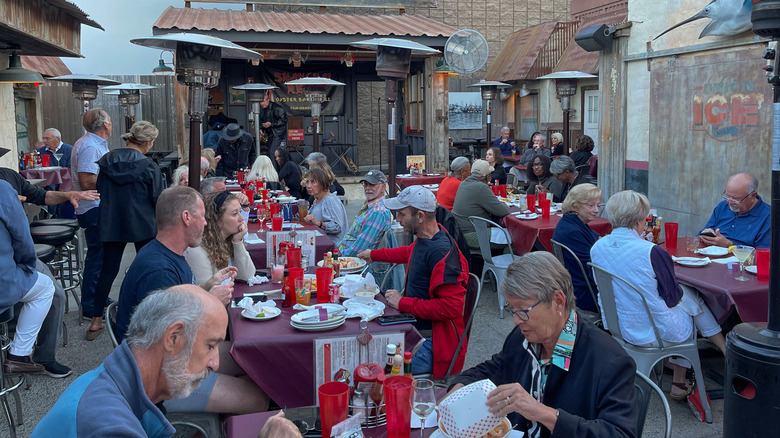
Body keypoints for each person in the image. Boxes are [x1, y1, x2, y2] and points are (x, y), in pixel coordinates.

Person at [33, 285, 295, 437]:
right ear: (173, 338)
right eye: (210, 345)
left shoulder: (116, 382)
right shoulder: (108, 425)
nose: (215, 362)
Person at [115, 186, 269, 415]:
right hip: (162, 379)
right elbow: (170, 340)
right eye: (203, 217)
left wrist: (206, 286)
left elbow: (176, 303)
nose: (207, 223)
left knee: (255, 361)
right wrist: (209, 299)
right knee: (259, 398)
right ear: (186, 218)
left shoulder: (169, 254)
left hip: (180, 360)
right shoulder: (158, 270)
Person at [448, 252, 638, 438]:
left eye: (522, 310)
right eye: (512, 309)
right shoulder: (525, 335)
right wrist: (461, 385)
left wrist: (544, 413)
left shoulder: (610, 361)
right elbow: (497, 367)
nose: (515, 320)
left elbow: (620, 432)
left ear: (558, 301)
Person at [591, 190, 727, 400]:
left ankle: (710, 356)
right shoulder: (653, 252)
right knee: (691, 301)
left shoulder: (597, 247)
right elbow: (672, 298)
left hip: (618, 325)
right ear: (639, 221)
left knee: (689, 299)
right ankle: (686, 375)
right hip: (653, 331)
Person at [357, 186, 468, 378]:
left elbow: (452, 308)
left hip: (433, 344)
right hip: (416, 328)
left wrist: (402, 302)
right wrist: (374, 255)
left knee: (370, 371)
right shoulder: (429, 237)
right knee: (362, 349)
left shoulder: (441, 252)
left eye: (402, 214)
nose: (397, 219)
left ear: (421, 216)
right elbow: (411, 252)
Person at [87, 121, 166, 341]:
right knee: (149, 267)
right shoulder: (149, 166)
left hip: (112, 221)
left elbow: (100, 190)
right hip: (143, 223)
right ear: (148, 143)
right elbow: (157, 198)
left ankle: (96, 320)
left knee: (107, 270)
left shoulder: (107, 161)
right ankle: (149, 315)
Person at [0, 180, 55, 375]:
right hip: (3, 286)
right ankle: (18, 355)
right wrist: (27, 265)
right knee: (46, 287)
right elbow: (22, 238)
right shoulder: (3, 189)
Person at [71, 108, 112, 324]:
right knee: (97, 257)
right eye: (110, 121)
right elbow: (87, 182)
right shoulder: (89, 146)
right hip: (92, 207)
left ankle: (99, 298)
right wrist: (115, 178)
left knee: (101, 257)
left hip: (95, 207)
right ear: (105, 124)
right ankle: (90, 305)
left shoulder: (93, 144)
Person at [185, 191, 256, 285]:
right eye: (235, 214)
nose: (241, 218)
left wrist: (237, 241)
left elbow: (247, 275)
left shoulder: (227, 241)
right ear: (217, 220)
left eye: (240, 212)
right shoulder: (197, 249)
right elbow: (205, 292)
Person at [551, 184, 602, 313]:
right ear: (575, 206)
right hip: (584, 292)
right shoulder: (573, 231)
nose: (596, 210)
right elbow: (592, 270)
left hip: (576, 285)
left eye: (598, 205)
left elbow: (597, 238)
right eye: (590, 205)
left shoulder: (572, 222)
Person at [452, 159, 509, 253]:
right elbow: (503, 211)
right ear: (487, 177)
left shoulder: (464, 184)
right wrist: (503, 204)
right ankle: (506, 265)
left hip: (459, 232)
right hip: (472, 235)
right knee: (516, 238)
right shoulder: (481, 187)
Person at [700, 173, 770, 249]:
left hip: (742, 260)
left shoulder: (768, 217)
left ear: (753, 196)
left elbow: (763, 255)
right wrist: (705, 235)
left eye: (735, 199)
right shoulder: (723, 206)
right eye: (727, 196)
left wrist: (729, 245)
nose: (729, 202)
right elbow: (703, 234)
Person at [338, 170, 392, 257]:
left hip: (355, 263)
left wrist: (337, 256)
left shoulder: (378, 212)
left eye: (372, 185)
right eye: (366, 184)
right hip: (346, 254)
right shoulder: (370, 207)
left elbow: (358, 249)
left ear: (383, 187)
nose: (367, 188)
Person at [302, 168, 349, 244]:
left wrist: (318, 223)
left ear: (322, 183)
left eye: (313, 182)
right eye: (307, 182)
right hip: (318, 241)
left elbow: (337, 227)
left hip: (332, 245)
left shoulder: (330, 200)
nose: (309, 186)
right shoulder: (315, 200)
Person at [258, 91, 288, 160]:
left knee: (272, 152)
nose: (262, 103)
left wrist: (271, 124)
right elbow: (260, 120)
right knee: (269, 152)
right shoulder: (262, 109)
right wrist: (260, 129)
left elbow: (284, 120)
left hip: (278, 133)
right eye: (261, 102)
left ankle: (273, 169)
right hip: (270, 133)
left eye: (264, 101)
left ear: (268, 100)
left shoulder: (277, 108)